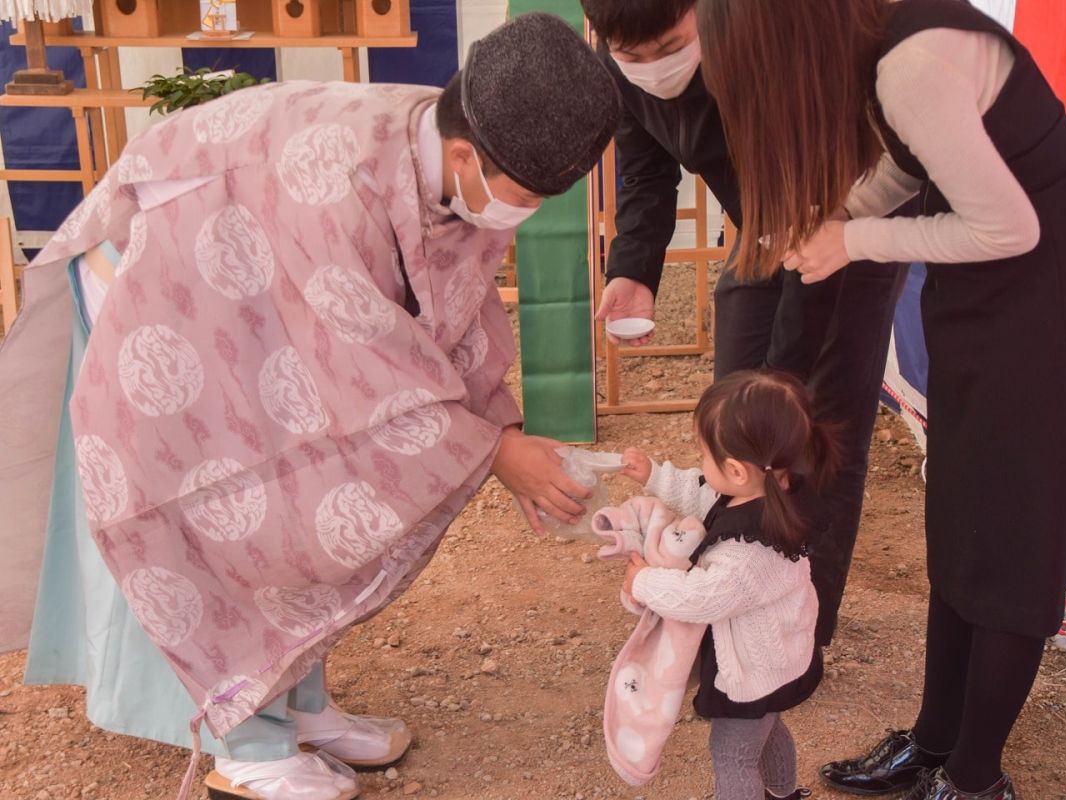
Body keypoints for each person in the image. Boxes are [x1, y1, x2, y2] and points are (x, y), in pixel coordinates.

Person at [0, 13, 619, 800]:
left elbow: (445, 315)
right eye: (527, 195)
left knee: (319, 495)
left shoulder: (444, 149)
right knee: (251, 500)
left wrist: (501, 426)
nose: (524, 214)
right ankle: (246, 737)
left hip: (262, 279)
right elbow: (364, 367)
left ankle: (301, 703)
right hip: (166, 283)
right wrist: (495, 451)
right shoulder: (334, 175)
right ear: (469, 154)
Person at [695, 1, 1066, 798]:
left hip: (1042, 297)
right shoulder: (878, 48)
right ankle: (934, 744)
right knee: (962, 520)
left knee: (1008, 545)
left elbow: (1009, 227)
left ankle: (972, 780)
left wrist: (855, 241)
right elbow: (907, 164)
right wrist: (836, 218)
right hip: (989, 294)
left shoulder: (912, 63)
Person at [579, 0, 907, 653]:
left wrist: (785, 369)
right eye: (630, 56)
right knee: (734, 420)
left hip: (844, 217)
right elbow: (645, 167)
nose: (650, 68)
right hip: (761, 220)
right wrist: (634, 268)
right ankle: (732, 604)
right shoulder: (617, 60)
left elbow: (845, 155)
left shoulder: (776, 33)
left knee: (814, 425)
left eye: (667, 46)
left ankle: (799, 636)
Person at [621, 369, 840, 800]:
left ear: (738, 470)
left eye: (703, 455)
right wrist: (653, 474)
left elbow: (700, 598)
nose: (700, 466)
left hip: (754, 672)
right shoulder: (773, 489)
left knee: (733, 754)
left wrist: (643, 581)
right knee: (768, 728)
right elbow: (700, 493)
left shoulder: (747, 555)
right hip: (780, 658)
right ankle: (782, 792)